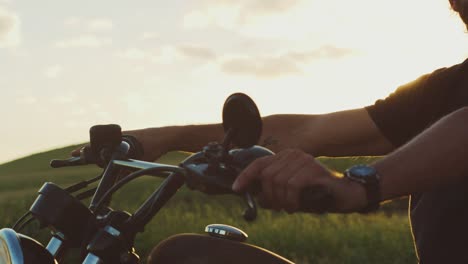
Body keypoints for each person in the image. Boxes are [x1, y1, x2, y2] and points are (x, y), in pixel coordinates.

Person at [77, 1, 468, 263]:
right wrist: (166, 137)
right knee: (191, 257)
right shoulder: (443, 90)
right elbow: (306, 131)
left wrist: (358, 185)